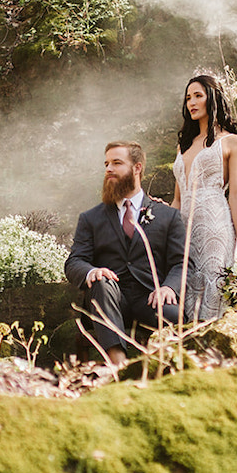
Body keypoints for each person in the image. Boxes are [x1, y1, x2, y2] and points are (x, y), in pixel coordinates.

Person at [66, 141, 186, 368]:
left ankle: (166, 372)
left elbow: (182, 262)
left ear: (137, 168)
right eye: (106, 164)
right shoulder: (91, 218)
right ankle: (118, 367)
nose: (108, 169)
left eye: (116, 163)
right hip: (110, 298)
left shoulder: (168, 216)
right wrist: (92, 271)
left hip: (150, 298)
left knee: (177, 317)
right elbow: (74, 262)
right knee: (101, 283)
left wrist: (169, 287)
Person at [171, 74, 237, 321]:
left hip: (214, 225)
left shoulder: (232, 142)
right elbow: (178, 200)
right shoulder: (183, 146)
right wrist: (166, 232)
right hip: (184, 228)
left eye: (198, 95)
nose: (191, 103)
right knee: (186, 288)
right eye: (188, 98)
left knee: (215, 285)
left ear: (213, 98)